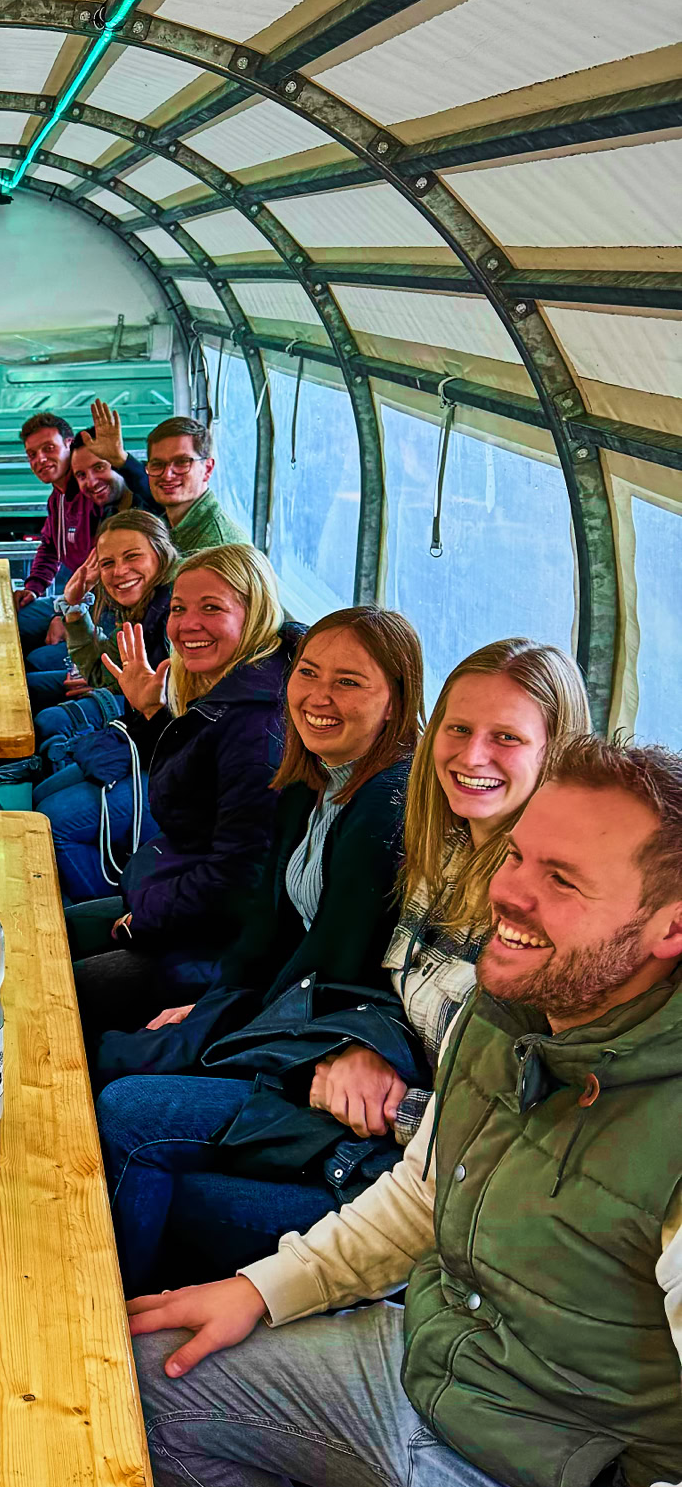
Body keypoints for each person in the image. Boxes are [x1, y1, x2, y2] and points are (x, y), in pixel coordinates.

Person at [129, 735, 682, 1487]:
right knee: (155, 1375)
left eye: (561, 880)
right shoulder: (513, 1002)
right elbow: (425, 1196)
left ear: (668, 928)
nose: (508, 895)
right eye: (518, 855)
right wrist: (261, 1288)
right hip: (437, 1374)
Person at [112, 638, 589, 1291]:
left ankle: (125, 1338)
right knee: (130, 1106)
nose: (472, 755)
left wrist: (387, 1101)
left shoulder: (548, 918)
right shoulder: (440, 850)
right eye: (459, 729)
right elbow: (387, 984)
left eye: (506, 738)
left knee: (149, 1160)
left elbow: (528, 1137)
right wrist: (364, 1048)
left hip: (417, 1189)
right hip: (353, 1120)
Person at [93, 607, 425, 1291]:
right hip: (281, 1014)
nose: (318, 697)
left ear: (397, 701)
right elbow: (264, 929)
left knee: (122, 1093)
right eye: (308, 674)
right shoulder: (313, 784)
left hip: (318, 1050)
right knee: (119, 1050)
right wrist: (206, 1008)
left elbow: (333, 967)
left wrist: (227, 1029)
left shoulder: (384, 808)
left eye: (349, 683)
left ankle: (116, 1303)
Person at [64, 544, 296, 1038]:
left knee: (57, 997)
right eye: (179, 608)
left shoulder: (256, 728)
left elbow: (238, 879)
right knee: (50, 934)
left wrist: (141, 920)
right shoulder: (226, 692)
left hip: (220, 949)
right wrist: (152, 714)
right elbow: (191, 786)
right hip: (184, 903)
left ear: (253, 613)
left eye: (212, 608)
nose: (188, 624)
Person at [33, 508, 179, 754]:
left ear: (161, 554)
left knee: (50, 726)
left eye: (132, 556)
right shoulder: (146, 606)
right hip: (146, 731)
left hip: (169, 750)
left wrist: (117, 690)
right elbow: (101, 672)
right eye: (107, 563)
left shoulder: (176, 613)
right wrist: (74, 607)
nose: (119, 571)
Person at [15, 400, 150, 656]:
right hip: (79, 600)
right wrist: (34, 587)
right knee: (12, 622)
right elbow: (50, 546)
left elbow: (147, 492)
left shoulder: (99, 497)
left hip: (102, 607)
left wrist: (68, 614)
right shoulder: (58, 499)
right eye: (32, 454)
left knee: (36, 658)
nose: (40, 459)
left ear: (69, 445)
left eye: (48, 448)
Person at [144, 415, 245, 552]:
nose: (167, 475)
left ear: (207, 469)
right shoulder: (166, 528)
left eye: (182, 462)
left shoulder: (218, 547)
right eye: (157, 464)